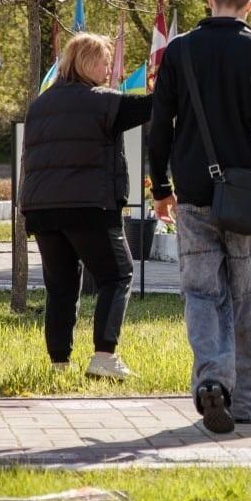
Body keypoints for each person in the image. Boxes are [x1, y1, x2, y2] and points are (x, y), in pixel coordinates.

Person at [149, 0, 251, 434]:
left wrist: (160, 187)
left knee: (201, 291)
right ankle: (246, 399)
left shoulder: (180, 50)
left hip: (192, 192)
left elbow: (160, 125)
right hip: (243, 194)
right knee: (246, 292)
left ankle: (213, 377)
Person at [20, 33, 152, 379]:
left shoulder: (40, 104)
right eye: (105, 61)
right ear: (88, 62)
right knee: (117, 274)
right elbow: (150, 107)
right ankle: (105, 357)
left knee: (61, 286)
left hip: (41, 209)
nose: (109, 69)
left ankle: (59, 363)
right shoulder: (103, 101)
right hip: (89, 206)